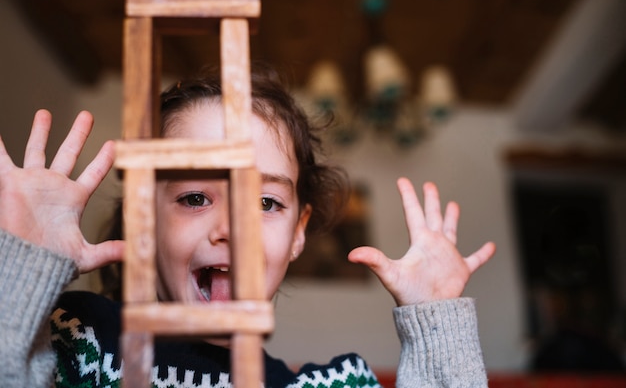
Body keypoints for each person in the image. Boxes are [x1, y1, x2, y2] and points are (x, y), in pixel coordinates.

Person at [0, 67, 496, 387]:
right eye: (195, 197)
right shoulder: (78, 344)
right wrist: (21, 269)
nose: (232, 228)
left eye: (265, 201)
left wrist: (437, 322)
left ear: (299, 233)